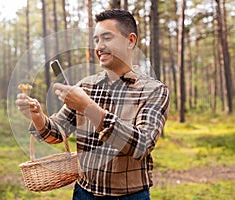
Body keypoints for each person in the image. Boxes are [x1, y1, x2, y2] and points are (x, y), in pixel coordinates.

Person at [16, 9, 170, 200]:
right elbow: (56, 133)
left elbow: (142, 145)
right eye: (96, 40)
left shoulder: (153, 90)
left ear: (130, 41)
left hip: (129, 195)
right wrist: (37, 115)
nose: (99, 46)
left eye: (107, 38)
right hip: (84, 192)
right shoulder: (86, 86)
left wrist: (89, 108)